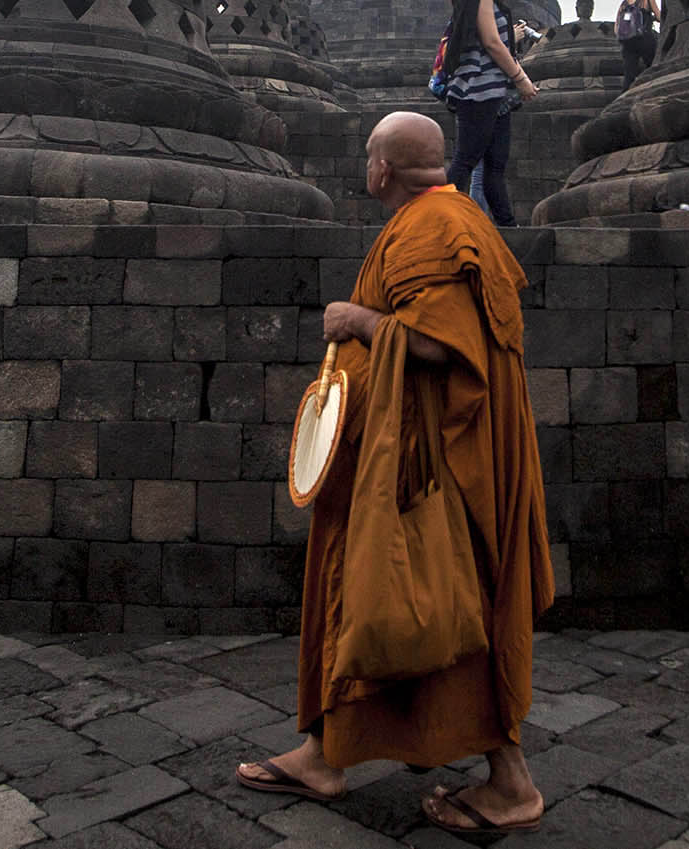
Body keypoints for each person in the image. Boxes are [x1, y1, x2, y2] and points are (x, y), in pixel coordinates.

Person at [235, 111, 553, 839]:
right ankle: (325, 753)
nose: (366, 165)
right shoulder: (452, 216)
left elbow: (443, 344)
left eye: (370, 154)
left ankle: (512, 782)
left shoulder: (429, 229)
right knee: (380, 592)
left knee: (442, 598)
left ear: (384, 167)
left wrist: (356, 320)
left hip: (431, 465)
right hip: (416, 454)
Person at [441, 0, 537, 228]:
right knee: (466, 160)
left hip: (495, 93)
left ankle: (507, 227)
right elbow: (493, 43)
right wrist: (521, 79)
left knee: (495, 165)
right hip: (479, 90)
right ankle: (433, 217)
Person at [616, 0, 660, 89]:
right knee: (654, 67)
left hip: (627, 42)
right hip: (645, 38)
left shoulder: (624, 4)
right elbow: (660, 17)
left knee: (629, 76)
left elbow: (617, 27)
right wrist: (652, 18)